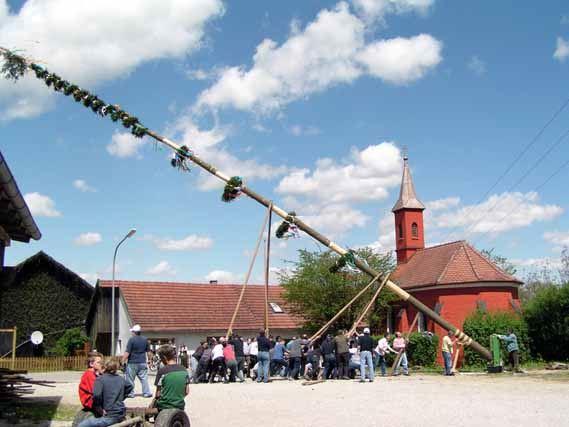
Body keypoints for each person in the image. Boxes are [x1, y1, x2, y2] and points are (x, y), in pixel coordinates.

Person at [78, 358, 133, 427]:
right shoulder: (121, 379)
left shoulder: (100, 379)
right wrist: (121, 397)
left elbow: (96, 395)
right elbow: (130, 386)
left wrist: (98, 407)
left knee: (81, 425)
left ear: (105, 367)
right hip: (121, 413)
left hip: (109, 416)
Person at [154, 345, 190, 411]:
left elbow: (158, 394)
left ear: (164, 358)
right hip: (180, 406)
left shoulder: (162, 371)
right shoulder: (184, 370)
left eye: (160, 358)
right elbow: (187, 392)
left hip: (164, 406)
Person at [122, 324, 152, 398]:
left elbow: (127, 352)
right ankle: (146, 393)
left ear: (134, 332)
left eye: (132, 331)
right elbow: (149, 352)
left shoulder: (131, 340)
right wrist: (150, 361)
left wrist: (122, 361)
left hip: (132, 362)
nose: (131, 333)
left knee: (130, 379)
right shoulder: (145, 340)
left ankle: (130, 393)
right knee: (144, 378)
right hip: (142, 362)